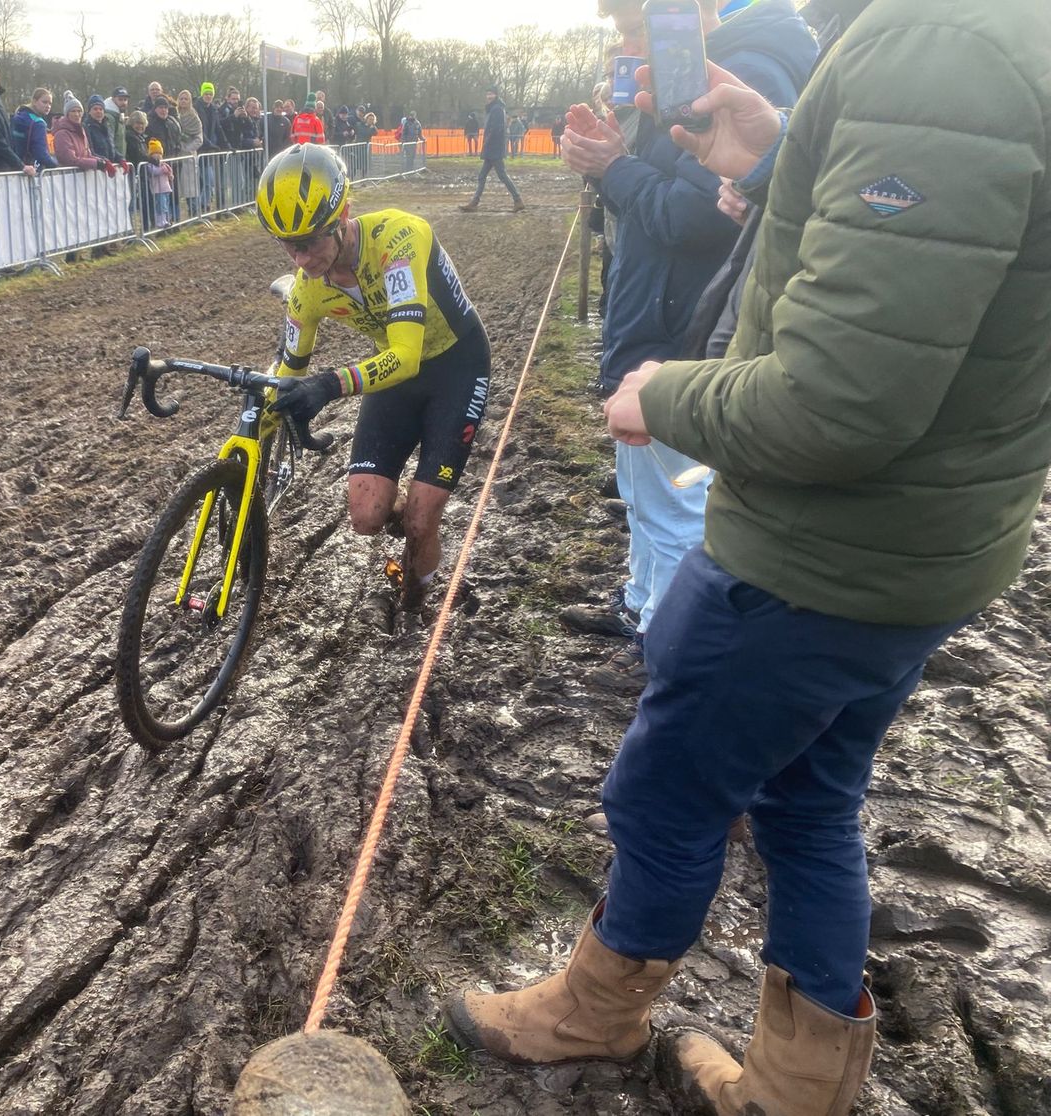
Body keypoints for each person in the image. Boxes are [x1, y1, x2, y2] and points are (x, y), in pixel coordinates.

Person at [443, 4, 1051, 1116]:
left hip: (819, 555)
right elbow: (945, 276)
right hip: (922, 551)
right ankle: (798, 1088)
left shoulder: (942, 47)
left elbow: (843, 397)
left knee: (665, 791)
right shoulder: (981, 38)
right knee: (812, 802)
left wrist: (664, 395)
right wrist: (776, 155)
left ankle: (598, 1012)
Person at [556, 0, 815, 691]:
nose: (627, 45)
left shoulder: (747, 69)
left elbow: (698, 214)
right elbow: (668, 194)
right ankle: (642, 605)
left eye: (634, 26)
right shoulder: (706, 70)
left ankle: (662, 651)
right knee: (644, 488)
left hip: (687, 326)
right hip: (663, 312)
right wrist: (613, 160)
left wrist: (616, 167)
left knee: (674, 503)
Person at [256, 144, 493, 631]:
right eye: (287, 245)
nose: (301, 257)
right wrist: (256, 426)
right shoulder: (307, 288)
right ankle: (413, 512)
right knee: (365, 516)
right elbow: (288, 373)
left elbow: (405, 356)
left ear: (341, 216)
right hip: (397, 376)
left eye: (309, 241)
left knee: (423, 519)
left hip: (456, 366)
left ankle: (416, 607)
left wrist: (328, 385)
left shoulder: (398, 239)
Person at [459, 85, 521, 212]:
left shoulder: (497, 109)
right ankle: (475, 202)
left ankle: (518, 199)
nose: (489, 96)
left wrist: (487, 141)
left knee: (502, 175)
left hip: (494, 148)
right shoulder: (494, 108)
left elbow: (497, 128)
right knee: (483, 176)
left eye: (491, 94)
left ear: (496, 95)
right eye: (487, 94)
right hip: (492, 148)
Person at [11, 88, 58, 170]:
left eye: (50, 103)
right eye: (44, 102)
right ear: (34, 101)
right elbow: (41, 154)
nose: (48, 106)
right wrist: (56, 165)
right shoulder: (38, 123)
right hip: (32, 168)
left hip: (15, 165)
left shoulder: (18, 116)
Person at [173, 88, 203, 216]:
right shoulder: (174, 115)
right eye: (181, 98)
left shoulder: (194, 117)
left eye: (186, 99)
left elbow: (199, 138)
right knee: (176, 189)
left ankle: (194, 213)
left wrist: (187, 149)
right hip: (175, 156)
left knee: (191, 189)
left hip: (188, 156)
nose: (183, 101)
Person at [141, 137, 174, 229]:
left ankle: (165, 220)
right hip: (157, 189)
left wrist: (170, 175)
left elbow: (169, 172)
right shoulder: (150, 164)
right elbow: (154, 172)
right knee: (160, 206)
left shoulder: (163, 163)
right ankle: (160, 222)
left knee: (165, 205)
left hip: (166, 187)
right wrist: (162, 170)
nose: (158, 155)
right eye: (155, 153)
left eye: (159, 153)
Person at [85, 95, 121, 164]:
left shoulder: (108, 126)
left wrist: (120, 158)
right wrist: (104, 162)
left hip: (110, 167)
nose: (98, 111)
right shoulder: (86, 127)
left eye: (101, 109)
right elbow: (90, 151)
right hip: (97, 168)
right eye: (95, 109)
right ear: (89, 111)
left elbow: (112, 148)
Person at [103, 87, 130, 168]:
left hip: (120, 162)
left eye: (125, 100)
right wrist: (118, 158)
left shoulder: (119, 116)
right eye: (120, 99)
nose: (123, 102)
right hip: (114, 162)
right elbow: (110, 141)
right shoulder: (110, 117)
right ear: (113, 99)